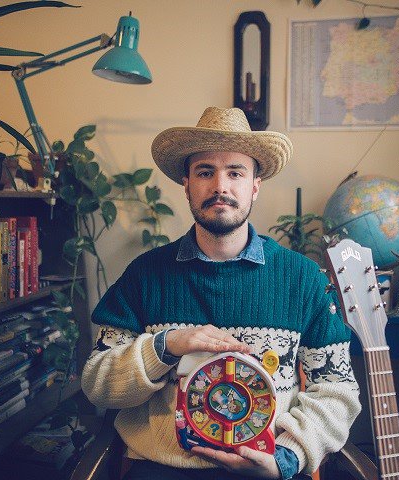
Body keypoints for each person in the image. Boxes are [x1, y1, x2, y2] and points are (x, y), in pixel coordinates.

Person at [81, 107, 361, 480]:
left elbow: (337, 390)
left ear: (255, 186)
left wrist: (287, 459)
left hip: (268, 466)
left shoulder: (303, 278)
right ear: (186, 184)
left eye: (235, 172)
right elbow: (98, 384)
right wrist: (166, 345)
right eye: (205, 172)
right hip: (161, 467)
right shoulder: (144, 275)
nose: (220, 187)